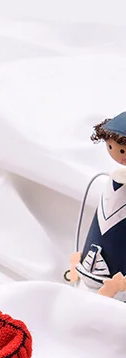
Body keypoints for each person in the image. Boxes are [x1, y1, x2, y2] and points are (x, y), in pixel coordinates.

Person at [70, 113, 126, 300]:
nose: (118, 155)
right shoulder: (112, 179)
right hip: (88, 266)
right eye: (111, 147)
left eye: (122, 150)